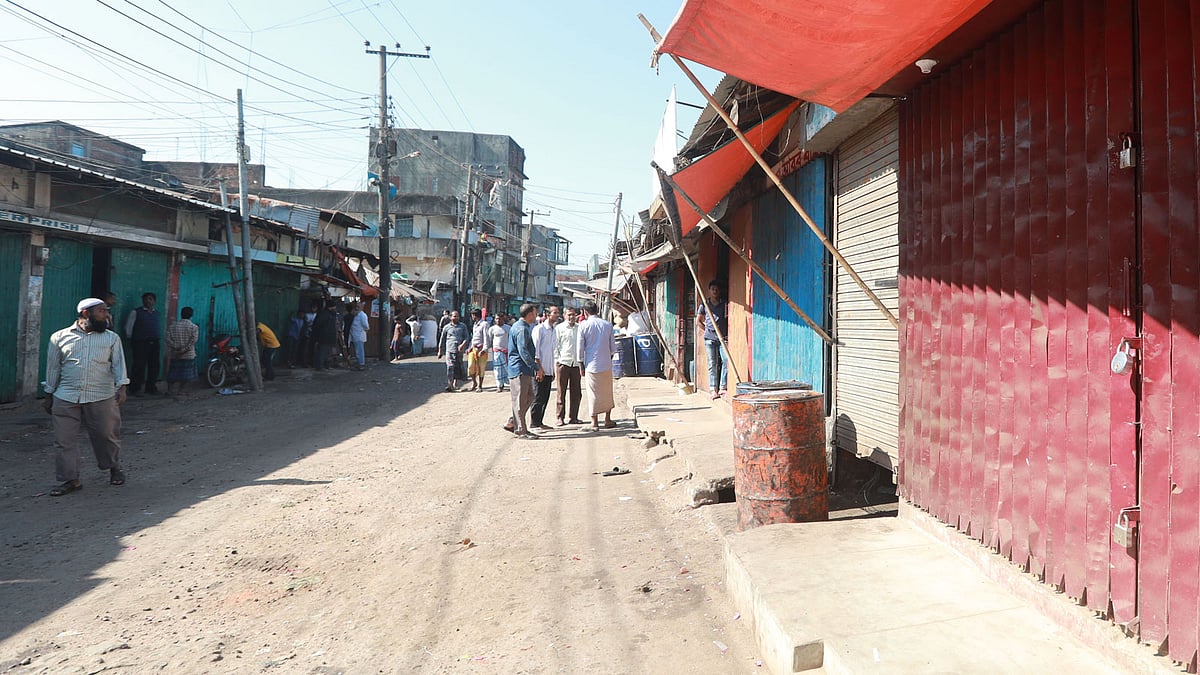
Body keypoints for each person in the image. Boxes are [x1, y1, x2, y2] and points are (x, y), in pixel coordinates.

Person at [43, 297, 129, 496]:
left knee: (106, 435)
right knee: (64, 440)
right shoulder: (59, 337)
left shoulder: (111, 338)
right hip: (66, 395)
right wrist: (49, 394)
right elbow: (53, 367)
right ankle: (70, 480)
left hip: (101, 395)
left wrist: (122, 387)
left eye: (106, 311)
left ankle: (114, 467)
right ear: (85, 314)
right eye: (101, 311)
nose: (106, 315)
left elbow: (118, 364)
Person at [577, 300, 618, 431]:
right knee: (607, 392)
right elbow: (613, 348)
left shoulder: (583, 325)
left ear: (585, 312)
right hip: (606, 364)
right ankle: (607, 419)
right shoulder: (607, 325)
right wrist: (608, 358)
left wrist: (580, 365)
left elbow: (580, 348)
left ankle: (594, 422)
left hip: (591, 365)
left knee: (593, 393)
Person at [504, 304, 538, 438]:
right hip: (520, 369)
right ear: (529, 314)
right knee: (520, 399)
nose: (536, 316)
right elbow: (522, 350)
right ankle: (520, 430)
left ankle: (514, 422)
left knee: (529, 396)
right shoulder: (522, 329)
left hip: (524, 369)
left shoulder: (522, 327)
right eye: (535, 313)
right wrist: (534, 366)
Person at [697, 280, 729, 399]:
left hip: (722, 338)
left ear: (719, 291)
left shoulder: (724, 304)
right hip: (709, 339)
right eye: (713, 289)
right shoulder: (704, 304)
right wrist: (707, 330)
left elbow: (727, 318)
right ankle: (713, 389)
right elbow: (698, 321)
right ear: (709, 291)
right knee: (712, 363)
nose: (715, 291)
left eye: (717, 289)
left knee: (726, 361)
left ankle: (722, 388)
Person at [124, 292, 162, 395]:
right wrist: (132, 339)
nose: (148, 301)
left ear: (154, 301)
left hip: (154, 342)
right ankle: (135, 388)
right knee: (139, 365)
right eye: (146, 299)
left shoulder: (156, 313)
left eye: (150, 299)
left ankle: (151, 388)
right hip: (140, 342)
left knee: (154, 365)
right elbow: (129, 327)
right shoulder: (136, 312)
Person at [530, 305, 560, 430]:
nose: (557, 315)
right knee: (537, 396)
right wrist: (539, 369)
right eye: (555, 312)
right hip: (539, 369)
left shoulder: (554, 330)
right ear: (548, 314)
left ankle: (539, 421)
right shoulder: (539, 329)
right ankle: (534, 423)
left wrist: (552, 370)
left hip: (548, 369)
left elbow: (552, 352)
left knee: (545, 397)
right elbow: (535, 352)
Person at [554, 306, 584, 425]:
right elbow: (555, 346)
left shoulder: (580, 328)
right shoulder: (559, 328)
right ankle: (560, 417)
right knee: (561, 392)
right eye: (569, 315)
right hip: (563, 363)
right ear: (564, 315)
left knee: (576, 392)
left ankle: (573, 417)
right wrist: (557, 360)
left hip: (576, 364)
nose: (571, 317)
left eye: (573, 314)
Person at [164, 306, 199, 396]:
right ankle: (181, 390)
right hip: (188, 354)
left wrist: (176, 348)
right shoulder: (193, 327)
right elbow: (193, 341)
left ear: (181, 314)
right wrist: (184, 350)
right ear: (191, 315)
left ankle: (170, 390)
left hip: (175, 354)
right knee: (187, 375)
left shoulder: (173, 326)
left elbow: (168, 339)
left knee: (173, 373)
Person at [437, 310, 469, 391]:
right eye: (454, 316)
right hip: (449, 350)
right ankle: (449, 384)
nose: (456, 318)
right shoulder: (446, 327)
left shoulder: (462, 326)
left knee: (457, 367)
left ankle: (455, 384)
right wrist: (440, 351)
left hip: (459, 350)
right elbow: (442, 339)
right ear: (450, 317)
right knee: (450, 367)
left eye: (457, 316)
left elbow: (466, 337)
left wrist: (462, 345)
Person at [466, 309, 490, 392]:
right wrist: (469, 347)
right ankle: (474, 382)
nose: (472, 317)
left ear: (475, 315)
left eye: (472, 315)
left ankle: (480, 385)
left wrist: (484, 349)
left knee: (481, 368)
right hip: (473, 348)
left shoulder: (484, 324)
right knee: (470, 366)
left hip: (481, 349)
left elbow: (486, 337)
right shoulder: (475, 325)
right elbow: (473, 338)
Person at [311, 301, 338, 371]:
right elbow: (317, 325)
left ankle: (326, 365)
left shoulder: (331, 314)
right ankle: (320, 366)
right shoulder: (324, 314)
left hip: (329, 337)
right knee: (322, 352)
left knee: (328, 353)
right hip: (324, 336)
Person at [488, 312, 510, 392]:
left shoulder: (508, 328)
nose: (498, 320)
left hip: (505, 352)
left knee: (506, 369)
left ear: (503, 319)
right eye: (496, 319)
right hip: (496, 352)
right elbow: (489, 340)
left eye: (499, 319)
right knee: (497, 369)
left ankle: (508, 383)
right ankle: (499, 386)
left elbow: (511, 340)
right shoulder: (492, 329)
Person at [347, 302, 369, 370]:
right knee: (357, 351)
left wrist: (366, 330)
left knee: (359, 351)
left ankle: (361, 364)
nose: (357, 308)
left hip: (359, 335)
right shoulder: (355, 314)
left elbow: (366, 325)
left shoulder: (363, 315)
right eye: (356, 306)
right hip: (354, 334)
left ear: (362, 308)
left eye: (358, 307)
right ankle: (359, 363)